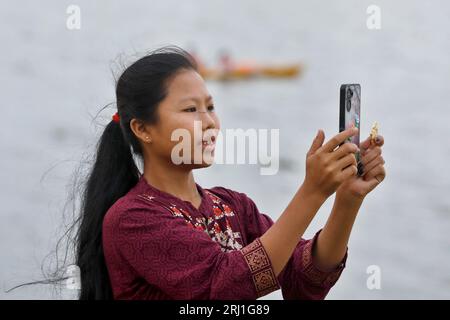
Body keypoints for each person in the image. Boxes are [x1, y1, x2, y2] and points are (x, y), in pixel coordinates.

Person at [75, 45, 386, 299]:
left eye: (210, 107)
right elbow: (225, 286)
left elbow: (303, 278)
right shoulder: (132, 218)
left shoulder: (233, 206)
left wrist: (347, 199)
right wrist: (313, 191)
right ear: (142, 129)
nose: (209, 121)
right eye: (190, 109)